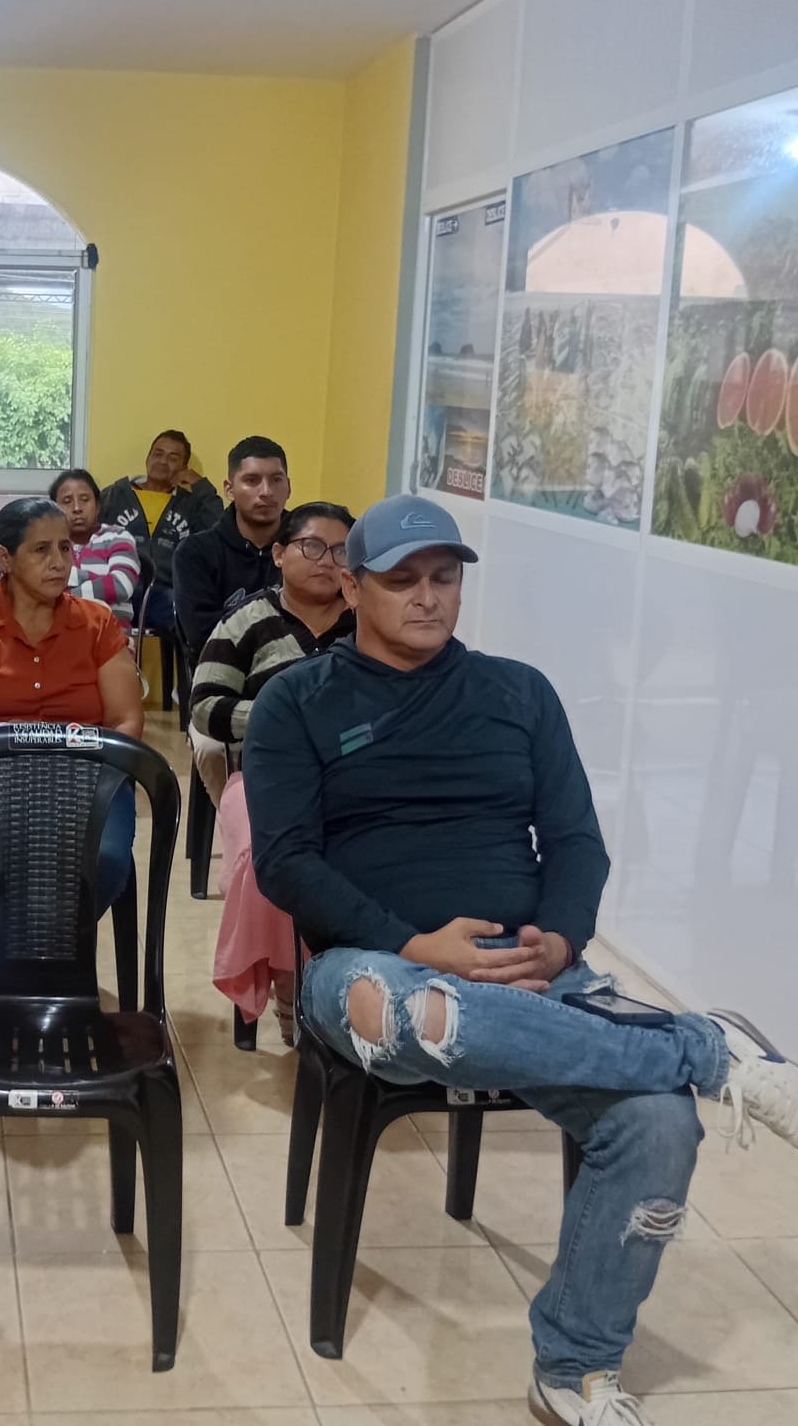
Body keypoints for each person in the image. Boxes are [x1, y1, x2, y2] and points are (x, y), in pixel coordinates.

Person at [243, 492, 798, 1426]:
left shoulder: (519, 692)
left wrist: (562, 938)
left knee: (660, 1125)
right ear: (353, 586)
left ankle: (574, 1366)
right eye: (402, 580)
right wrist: (417, 944)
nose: (428, 596)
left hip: (528, 963)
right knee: (420, 1012)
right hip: (375, 963)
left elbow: (576, 840)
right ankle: (706, 1050)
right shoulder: (297, 701)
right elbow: (287, 862)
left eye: (444, 577)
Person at [0, 496, 145, 928]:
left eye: (65, 548)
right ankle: (13, 965)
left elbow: (126, 720)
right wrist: (3, 777)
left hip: (85, 780)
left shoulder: (97, 624)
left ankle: (51, 954)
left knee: (106, 858)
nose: (59, 562)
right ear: (5, 559)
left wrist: (89, 775)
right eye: (41, 550)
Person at [189, 501, 356, 1036]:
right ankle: (288, 986)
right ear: (280, 554)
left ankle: (350, 986)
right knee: (272, 858)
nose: (327, 560)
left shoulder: (368, 619)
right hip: (265, 775)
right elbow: (205, 706)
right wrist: (280, 719)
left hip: (357, 778)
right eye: (313, 546)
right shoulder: (246, 620)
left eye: (342, 551)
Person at [172, 434, 293, 656]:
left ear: (289, 487)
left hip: (301, 671)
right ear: (230, 490)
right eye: (252, 480)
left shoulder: (307, 549)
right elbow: (204, 638)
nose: (266, 491)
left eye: (276, 480)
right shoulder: (196, 553)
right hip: (224, 671)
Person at [99, 429, 222, 634]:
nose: (163, 461)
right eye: (158, 454)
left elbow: (217, 531)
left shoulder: (190, 505)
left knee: (193, 617)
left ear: (184, 468)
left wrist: (201, 486)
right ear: (148, 458)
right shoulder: (115, 495)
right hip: (120, 589)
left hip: (167, 593)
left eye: (173, 458)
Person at [50, 467, 142, 631]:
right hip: (59, 635)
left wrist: (68, 593)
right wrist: (101, 581)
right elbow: (37, 590)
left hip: (112, 635)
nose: (77, 508)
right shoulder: (47, 545)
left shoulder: (118, 537)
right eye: (67, 501)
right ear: (53, 509)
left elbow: (121, 585)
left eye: (85, 499)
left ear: (98, 506)